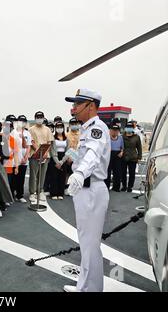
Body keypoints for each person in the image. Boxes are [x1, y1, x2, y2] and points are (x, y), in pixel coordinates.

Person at [64, 88, 110, 292]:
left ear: (90, 106)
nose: (73, 108)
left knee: (90, 246)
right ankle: (86, 286)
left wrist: (80, 172)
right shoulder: (86, 128)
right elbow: (86, 154)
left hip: (91, 190)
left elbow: (93, 153)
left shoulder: (96, 127)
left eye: (77, 104)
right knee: (86, 244)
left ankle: (89, 290)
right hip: (84, 189)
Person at [28, 111, 54, 202]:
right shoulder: (31, 129)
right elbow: (31, 142)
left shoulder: (47, 129)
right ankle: (32, 193)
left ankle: (40, 191)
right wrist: (38, 151)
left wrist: (45, 152)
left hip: (45, 155)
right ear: (35, 118)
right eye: (38, 117)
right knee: (33, 174)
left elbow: (49, 142)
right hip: (34, 154)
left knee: (42, 174)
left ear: (43, 118)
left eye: (41, 117)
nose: (39, 119)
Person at [10, 115, 30, 203]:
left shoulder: (27, 133)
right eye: (20, 121)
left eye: (23, 121)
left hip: (24, 160)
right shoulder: (13, 132)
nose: (22, 123)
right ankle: (11, 195)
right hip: (15, 159)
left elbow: (27, 146)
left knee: (21, 178)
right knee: (13, 178)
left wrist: (25, 157)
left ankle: (20, 195)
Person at [49, 121, 69, 200]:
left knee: (62, 176)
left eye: (61, 127)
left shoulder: (66, 138)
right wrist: (57, 161)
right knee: (54, 176)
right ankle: (54, 193)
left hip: (63, 158)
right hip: (55, 158)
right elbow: (52, 151)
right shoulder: (53, 138)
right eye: (57, 127)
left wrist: (62, 161)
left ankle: (60, 193)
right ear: (55, 128)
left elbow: (68, 151)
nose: (59, 129)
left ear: (63, 128)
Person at [121, 121, 142, 193]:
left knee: (132, 173)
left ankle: (130, 187)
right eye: (127, 127)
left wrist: (139, 157)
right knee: (123, 173)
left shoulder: (137, 137)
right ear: (125, 128)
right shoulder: (122, 136)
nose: (129, 129)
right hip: (123, 157)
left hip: (133, 157)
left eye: (130, 128)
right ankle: (124, 186)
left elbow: (139, 148)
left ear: (133, 129)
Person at [105, 124, 124, 192]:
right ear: (110, 131)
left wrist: (121, 152)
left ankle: (116, 187)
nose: (114, 132)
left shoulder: (120, 138)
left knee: (117, 172)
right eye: (113, 130)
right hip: (109, 154)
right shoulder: (107, 137)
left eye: (116, 131)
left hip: (118, 155)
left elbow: (122, 148)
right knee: (108, 171)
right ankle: (106, 187)